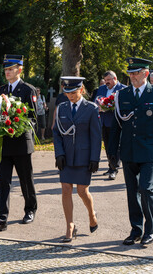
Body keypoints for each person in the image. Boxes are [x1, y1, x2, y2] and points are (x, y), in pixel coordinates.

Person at [108, 57, 153, 247]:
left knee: (146, 188)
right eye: (130, 73)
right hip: (128, 150)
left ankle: (150, 229)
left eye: (136, 73)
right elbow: (116, 125)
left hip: (150, 151)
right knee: (131, 192)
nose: (132, 76)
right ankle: (136, 229)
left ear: (145, 73)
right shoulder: (123, 95)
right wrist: (112, 151)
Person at [0, 54, 38, 232]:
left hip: (21, 144)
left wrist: (16, 121)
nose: (7, 72)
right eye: (6, 69)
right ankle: (1, 219)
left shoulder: (27, 90)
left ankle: (30, 209)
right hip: (4, 145)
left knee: (25, 180)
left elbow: (33, 118)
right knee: (3, 182)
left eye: (10, 69)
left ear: (19, 70)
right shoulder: (1, 90)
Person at [53, 76, 101, 242]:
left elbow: (96, 136)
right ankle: (70, 225)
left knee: (82, 191)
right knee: (66, 189)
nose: (70, 96)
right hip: (66, 157)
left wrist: (95, 158)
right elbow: (56, 132)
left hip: (84, 157)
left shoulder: (91, 108)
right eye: (67, 92)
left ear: (81, 90)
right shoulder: (62, 108)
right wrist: (58, 153)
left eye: (73, 92)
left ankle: (91, 213)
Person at [94, 71, 126, 180]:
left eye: (108, 80)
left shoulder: (123, 89)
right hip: (104, 121)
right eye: (105, 80)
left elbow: (125, 104)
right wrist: (100, 106)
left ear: (115, 78)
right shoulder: (102, 88)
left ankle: (114, 169)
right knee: (107, 145)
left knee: (116, 146)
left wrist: (112, 106)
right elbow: (96, 101)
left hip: (117, 121)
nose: (106, 82)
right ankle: (110, 166)